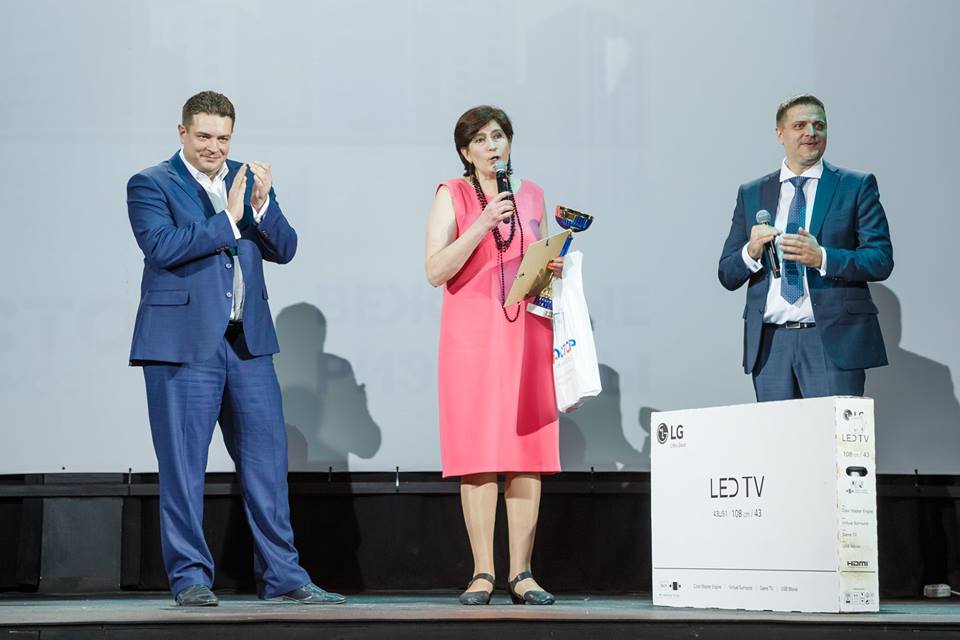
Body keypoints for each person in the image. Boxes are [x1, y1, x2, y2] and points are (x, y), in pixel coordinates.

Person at [127, 91, 344, 606]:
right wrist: (228, 217)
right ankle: (190, 578)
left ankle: (284, 576)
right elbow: (161, 246)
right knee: (183, 466)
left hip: (247, 342)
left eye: (223, 138)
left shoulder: (247, 180)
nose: (214, 147)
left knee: (267, 463)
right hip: (182, 346)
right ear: (182, 132)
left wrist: (262, 206)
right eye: (204, 136)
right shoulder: (150, 183)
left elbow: (285, 249)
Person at [424, 105, 562, 605]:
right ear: (466, 152)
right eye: (480, 139)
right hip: (472, 339)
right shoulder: (452, 194)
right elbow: (435, 270)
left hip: (527, 333)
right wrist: (482, 223)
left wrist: (552, 270)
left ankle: (522, 574)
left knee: (527, 453)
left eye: (498, 136)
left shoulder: (533, 195)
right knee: (478, 453)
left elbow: (532, 265)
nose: (492, 146)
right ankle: (483, 572)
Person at [718, 94, 894, 401]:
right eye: (799, 125)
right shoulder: (752, 193)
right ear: (780, 134)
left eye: (819, 125)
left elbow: (880, 259)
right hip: (770, 345)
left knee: (834, 433)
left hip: (831, 342)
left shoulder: (855, 185)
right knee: (778, 433)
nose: (811, 133)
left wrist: (822, 257)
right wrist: (751, 251)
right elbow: (727, 273)